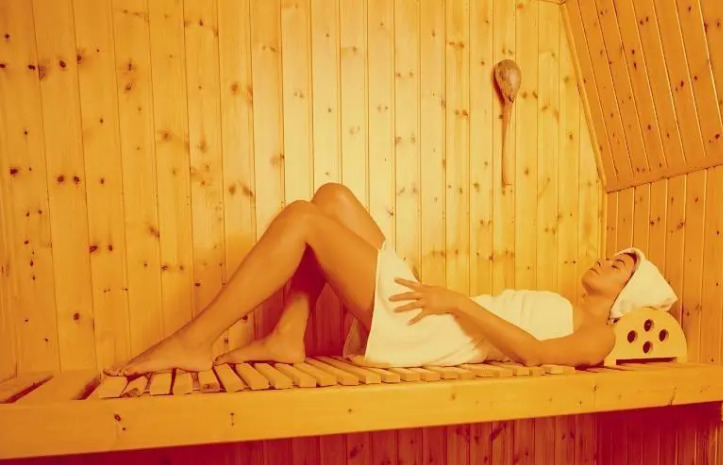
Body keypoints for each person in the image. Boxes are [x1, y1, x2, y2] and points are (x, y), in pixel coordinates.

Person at [106, 183, 675, 377]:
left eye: (620, 266)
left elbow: (534, 355)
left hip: (436, 333)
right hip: (441, 315)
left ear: (626, 299)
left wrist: (456, 302)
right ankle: (287, 334)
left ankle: (193, 342)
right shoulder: (567, 306)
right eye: (613, 256)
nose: (606, 261)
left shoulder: (600, 336)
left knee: (303, 219)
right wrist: (450, 301)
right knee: (330, 198)